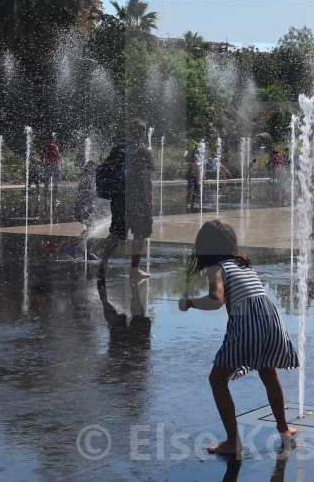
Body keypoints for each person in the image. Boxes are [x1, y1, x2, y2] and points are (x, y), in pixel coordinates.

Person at [178, 220, 299, 456]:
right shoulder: (244, 264)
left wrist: (190, 303)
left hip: (248, 325)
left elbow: (216, 300)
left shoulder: (217, 268)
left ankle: (233, 442)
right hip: (272, 322)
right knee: (268, 370)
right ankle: (284, 428)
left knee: (217, 380)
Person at [99, 119, 154, 282]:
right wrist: (150, 202)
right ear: (143, 134)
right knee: (139, 234)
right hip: (138, 199)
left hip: (118, 198)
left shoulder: (117, 150)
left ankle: (104, 261)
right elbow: (146, 179)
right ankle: (134, 270)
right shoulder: (144, 152)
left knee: (115, 232)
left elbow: (106, 169)